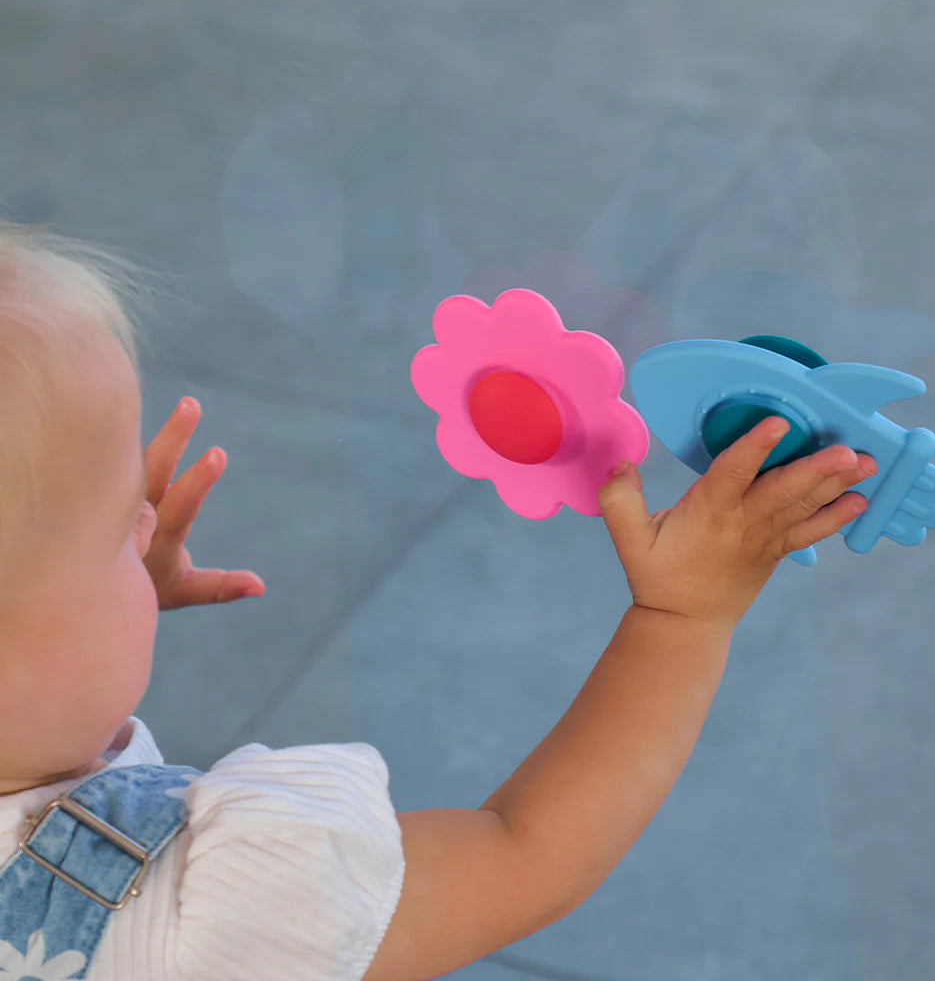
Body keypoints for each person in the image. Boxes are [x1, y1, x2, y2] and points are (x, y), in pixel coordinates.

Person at [0, 220, 877, 980]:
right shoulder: (219, 922)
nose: (152, 516)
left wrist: (87, 598)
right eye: (124, 525)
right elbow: (521, 850)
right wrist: (682, 618)